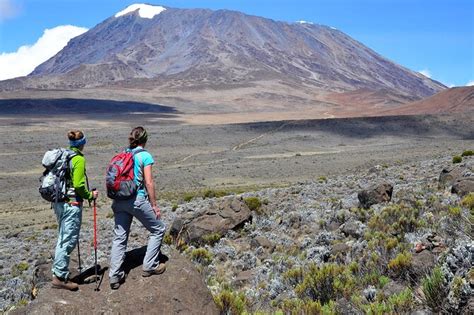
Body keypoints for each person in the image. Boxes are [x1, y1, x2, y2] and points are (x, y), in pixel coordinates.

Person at [109, 126, 166, 290]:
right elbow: (149, 182)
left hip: (119, 200)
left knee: (120, 237)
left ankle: (114, 275)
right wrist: (154, 205)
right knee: (158, 229)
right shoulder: (144, 155)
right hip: (136, 199)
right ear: (145, 140)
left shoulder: (124, 154)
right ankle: (150, 265)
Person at [52, 130, 99, 291]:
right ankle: (60, 277)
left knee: (63, 237)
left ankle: (58, 273)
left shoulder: (65, 155)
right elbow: (79, 185)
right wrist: (89, 195)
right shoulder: (78, 159)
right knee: (68, 240)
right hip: (71, 204)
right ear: (82, 143)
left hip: (59, 202)